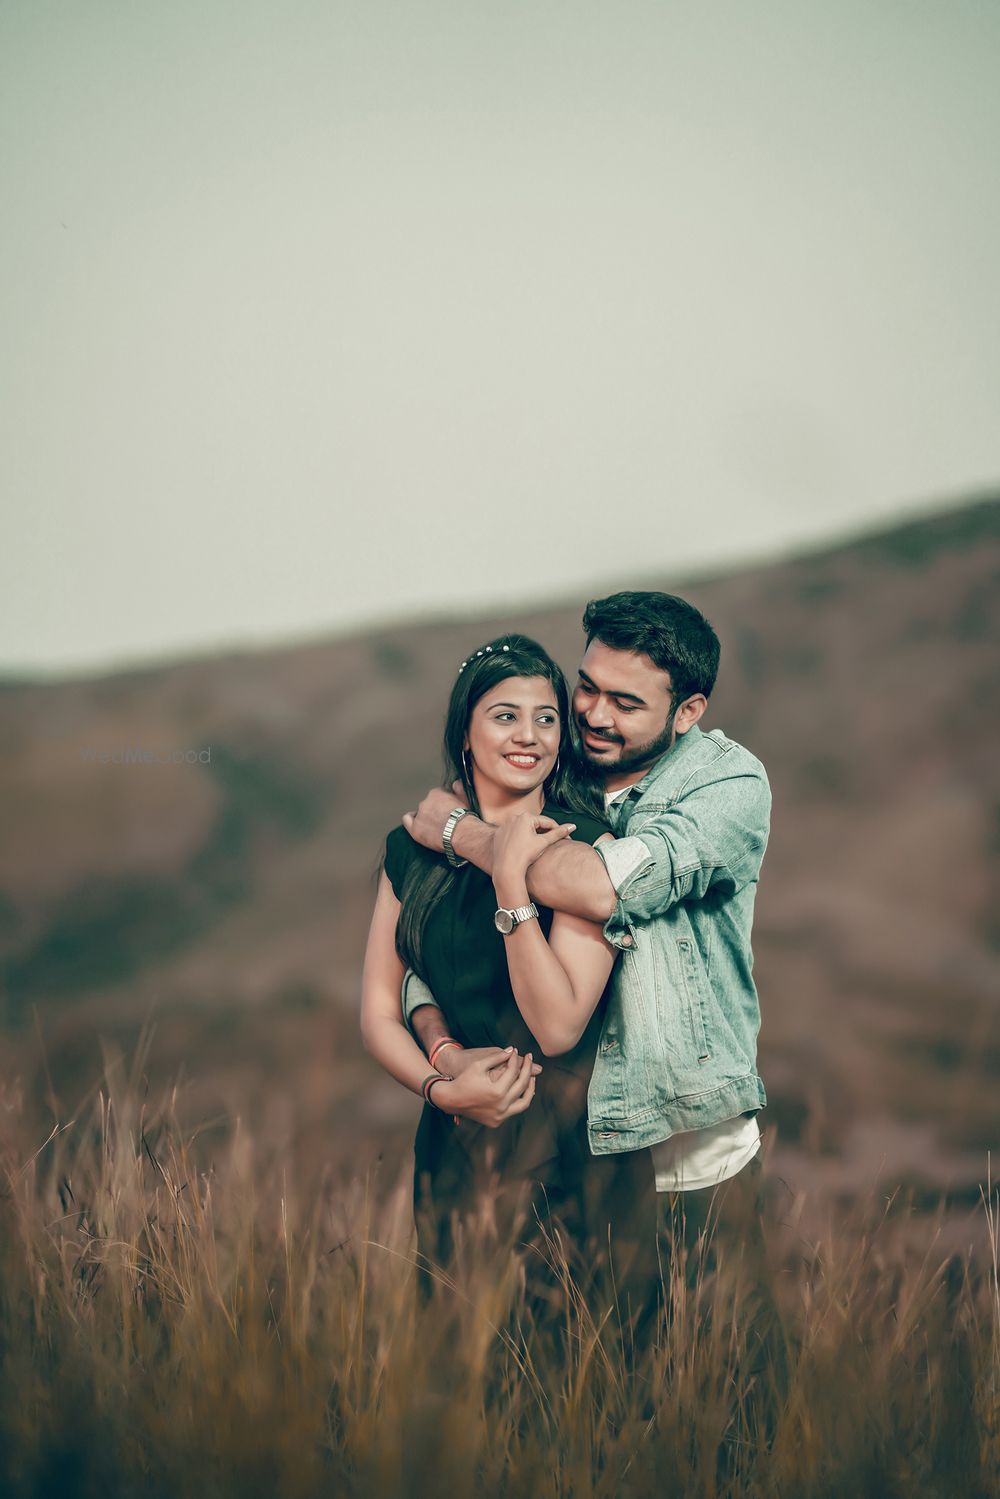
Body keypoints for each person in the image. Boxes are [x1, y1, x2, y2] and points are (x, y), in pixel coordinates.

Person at [403, 592, 785, 1400]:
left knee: (736, 1417)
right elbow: (440, 952)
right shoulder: (559, 775)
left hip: (690, 1155)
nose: (592, 714)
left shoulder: (726, 783)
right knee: (582, 1415)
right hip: (568, 1169)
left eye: (625, 701)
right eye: (587, 687)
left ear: (688, 710)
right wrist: (437, 1045)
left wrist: (463, 834)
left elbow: (597, 886)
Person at [360, 632, 656, 1323]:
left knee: (587, 1386)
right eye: (505, 715)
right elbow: (378, 1006)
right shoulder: (411, 851)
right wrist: (443, 1084)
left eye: (546, 718)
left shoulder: (584, 849)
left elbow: (559, 1027)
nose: (529, 735)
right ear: (465, 730)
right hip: (455, 1150)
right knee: (466, 1381)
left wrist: (508, 877)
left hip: (578, 1155)